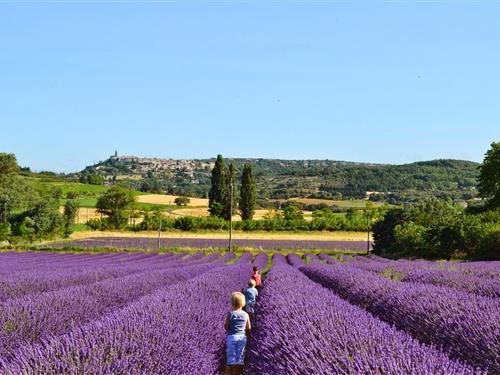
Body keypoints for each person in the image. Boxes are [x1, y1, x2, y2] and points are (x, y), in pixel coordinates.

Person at [225, 292, 251, 375]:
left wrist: (228, 327)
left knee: (231, 355)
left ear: (232, 303)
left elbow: (226, 326)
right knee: (240, 355)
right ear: (243, 303)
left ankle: (230, 371)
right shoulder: (246, 315)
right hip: (242, 337)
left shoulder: (231, 314)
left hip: (231, 337)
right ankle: (238, 372)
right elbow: (248, 327)